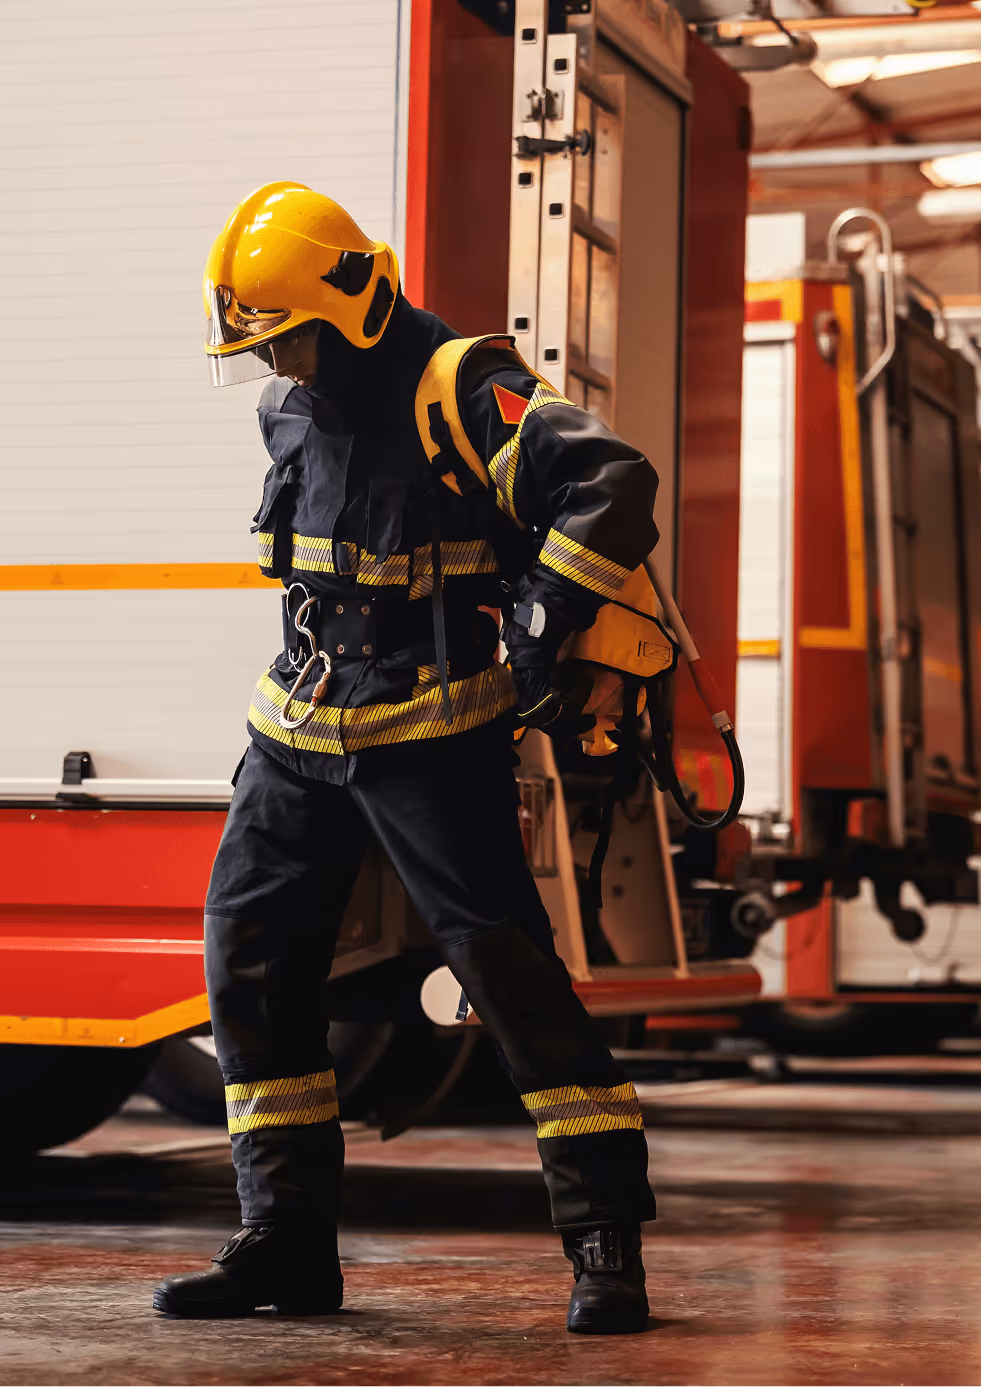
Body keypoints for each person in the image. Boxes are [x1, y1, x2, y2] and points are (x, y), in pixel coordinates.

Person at [152, 182, 659, 1334]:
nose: (276, 360)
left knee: (509, 974)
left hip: (432, 730)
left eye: (285, 335)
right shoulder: (288, 407)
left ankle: (604, 1241)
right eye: (261, 343)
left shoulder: (465, 387)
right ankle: (283, 1243)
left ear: (351, 306)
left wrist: (541, 625)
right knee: (249, 960)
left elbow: (613, 485)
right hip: (298, 728)